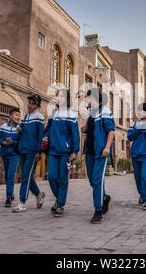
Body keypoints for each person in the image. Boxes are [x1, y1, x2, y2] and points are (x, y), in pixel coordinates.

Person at [42, 89, 80, 218]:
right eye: (57, 96)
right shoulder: (54, 113)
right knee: (51, 176)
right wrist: (46, 136)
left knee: (63, 179)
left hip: (66, 152)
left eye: (62, 96)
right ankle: (59, 199)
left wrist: (75, 151)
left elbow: (75, 135)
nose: (59, 98)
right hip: (53, 150)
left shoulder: (71, 114)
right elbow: (48, 129)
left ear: (67, 99)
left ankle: (60, 205)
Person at [82, 88, 115, 224]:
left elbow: (111, 131)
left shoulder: (105, 112)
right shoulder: (90, 113)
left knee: (97, 180)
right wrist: (84, 129)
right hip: (90, 150)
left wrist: (107, 147)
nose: (86, 100)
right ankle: (104, 197)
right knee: (92, 180)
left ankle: (98, 211)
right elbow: (89, 131)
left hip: (101, 151)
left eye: (88, 98)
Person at [12, 94, 46, 213]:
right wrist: (20, 129)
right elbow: (22, 132)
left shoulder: (40, 117)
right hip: (23, 149)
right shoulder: (25, 117)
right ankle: (39, 194)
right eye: (29, 103)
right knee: (27, 176)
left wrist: (38, 151)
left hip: (32, 151)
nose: (30, 105)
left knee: (26, 176)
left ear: (37, 105)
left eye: (33, 103)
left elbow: (40, 136)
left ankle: (22, 203)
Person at [0, 108, 21, 207]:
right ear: (10, 116)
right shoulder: (3, 127)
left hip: (14, 155)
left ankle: (8, 198)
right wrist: (2, 142)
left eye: (19, 115)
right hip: (4, 154)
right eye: (16, 115)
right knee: (6, 176)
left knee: (10, 175)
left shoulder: (19, 129)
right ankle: (11, 194)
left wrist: (13, 142)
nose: (18, 117)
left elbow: (21, 142)